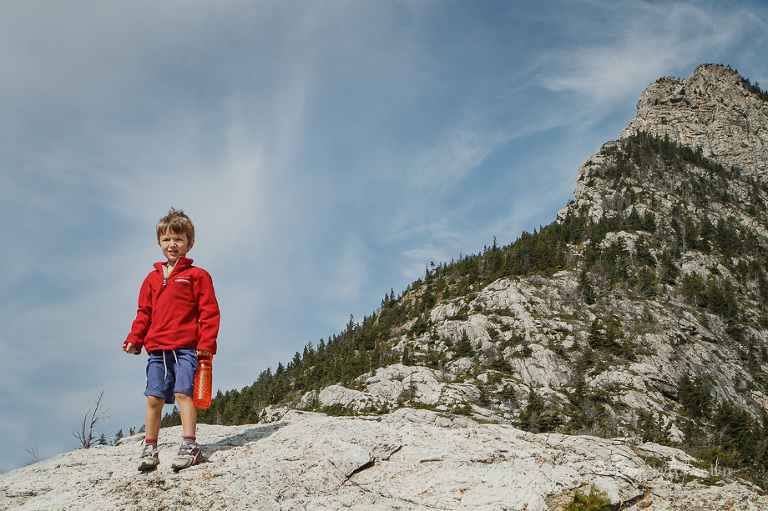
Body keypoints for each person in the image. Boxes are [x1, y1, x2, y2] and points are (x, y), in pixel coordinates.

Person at [123, 207, 220, 472]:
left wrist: (206, 345)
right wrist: (135, 339)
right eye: (166, 239)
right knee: (153, 398)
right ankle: (150, 448)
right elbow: (144, 313)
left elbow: (209, 312)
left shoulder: (197, 276)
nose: (172, 244)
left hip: (186, 349)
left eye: (178, 239)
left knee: (183, 393)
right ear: (159, 243)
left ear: (190, 242)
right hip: (157, 351)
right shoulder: (151, 279)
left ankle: (191, 446)